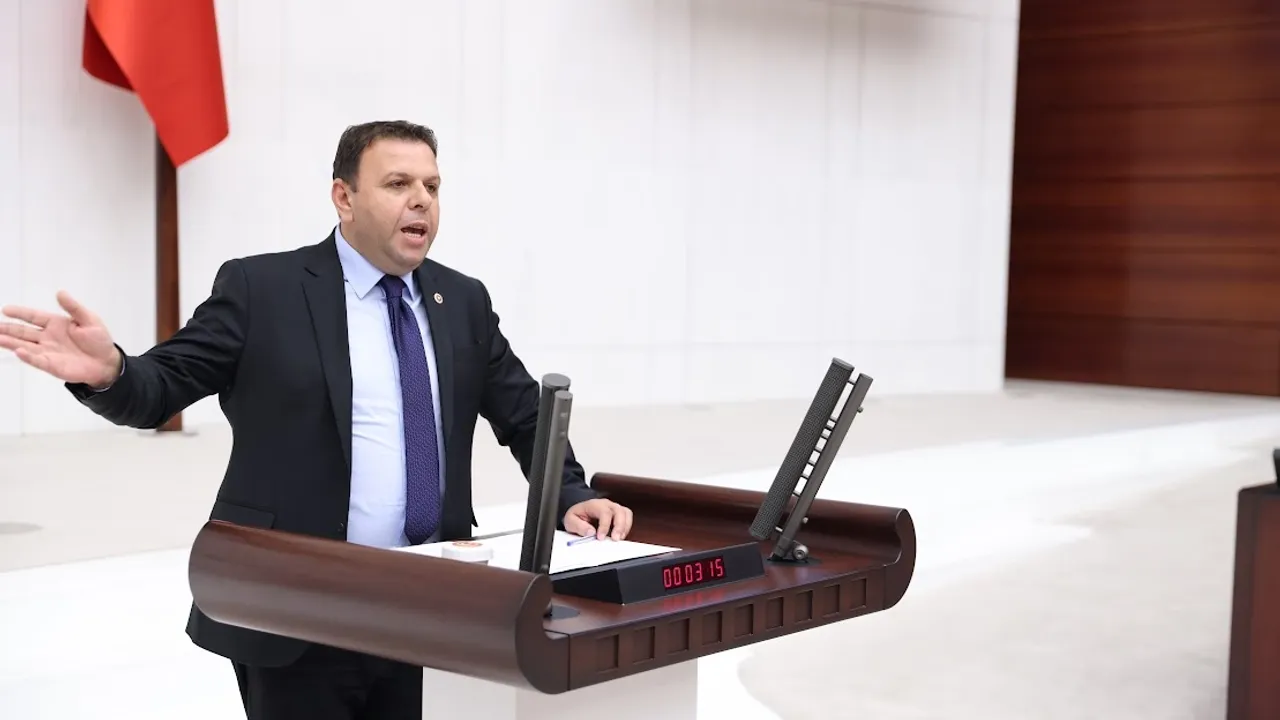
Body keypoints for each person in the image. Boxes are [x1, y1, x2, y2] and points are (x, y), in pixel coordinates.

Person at [0, 120, 634, 720]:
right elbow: (160, 387)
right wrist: (109, 370)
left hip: (430, 606)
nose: (421, 200)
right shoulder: (262, 289)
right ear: (344, 197)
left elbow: (526, 414)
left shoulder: (461, 300)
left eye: (432, 186)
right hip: (299, 607)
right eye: (398, 183)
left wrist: (570, 494)